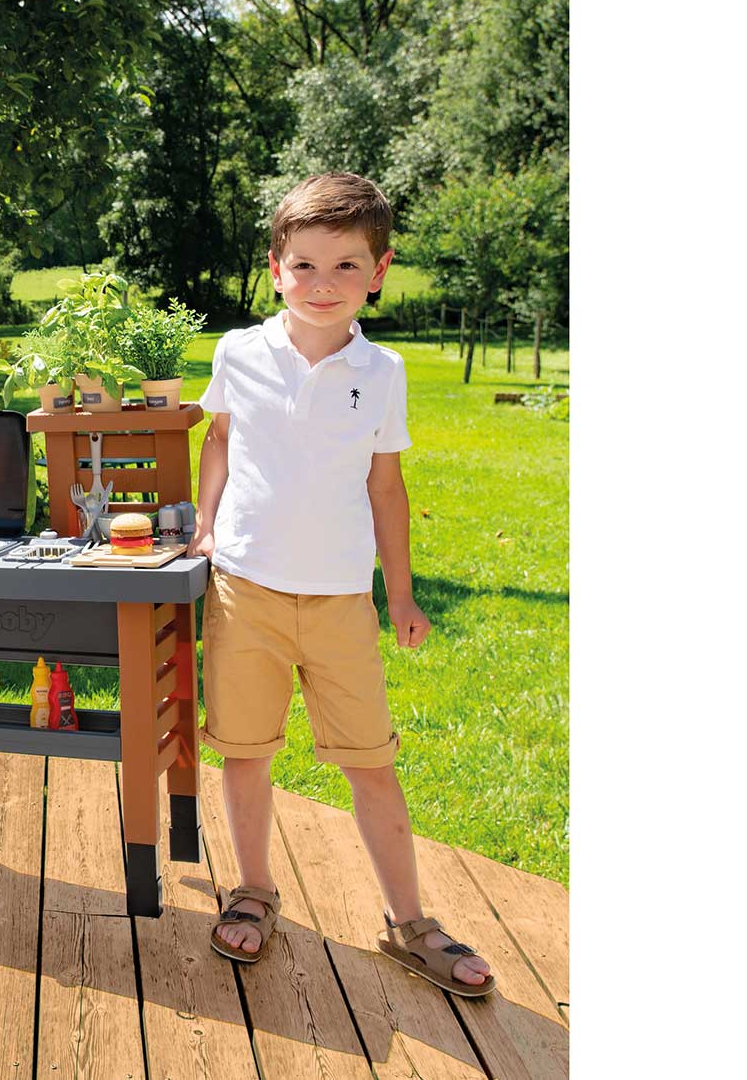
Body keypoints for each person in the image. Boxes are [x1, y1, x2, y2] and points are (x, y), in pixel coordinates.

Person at [191, 172, 494, 996]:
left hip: (341, 602)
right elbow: (219, 440)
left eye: (346, 266)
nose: (323, 284)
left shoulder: (383, 370)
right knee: (246, 752)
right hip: (245, 591)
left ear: (379, 271)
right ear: (275, 268)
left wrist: (401, 594)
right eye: (305, 265)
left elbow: (385, 487)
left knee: (371, 762)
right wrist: (207, 522)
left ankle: (411, 923)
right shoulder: (238, 353)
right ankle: (253, 890)